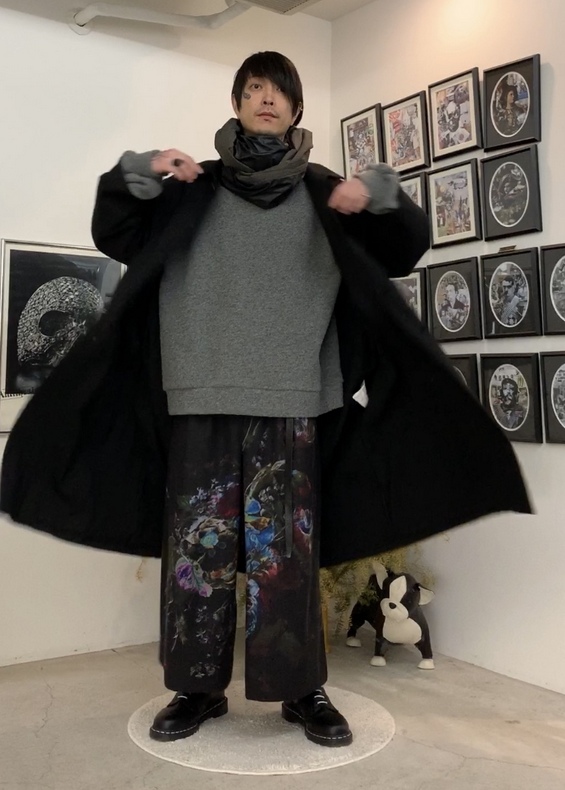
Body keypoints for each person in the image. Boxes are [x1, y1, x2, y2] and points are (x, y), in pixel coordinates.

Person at [0, 52, 532, 752]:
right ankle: (196, 688)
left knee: (287, 559)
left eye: (279, 91)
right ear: (237, 102)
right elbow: (115, 229)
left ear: (296, 108)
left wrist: (378, 191)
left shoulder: (325, 192)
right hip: (198, 393)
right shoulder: (192, 187)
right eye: (254, 88)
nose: (266, 99)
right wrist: (139, 170)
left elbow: (404, 247)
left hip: (294, 397)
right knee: (198, 556)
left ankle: (300, 690)